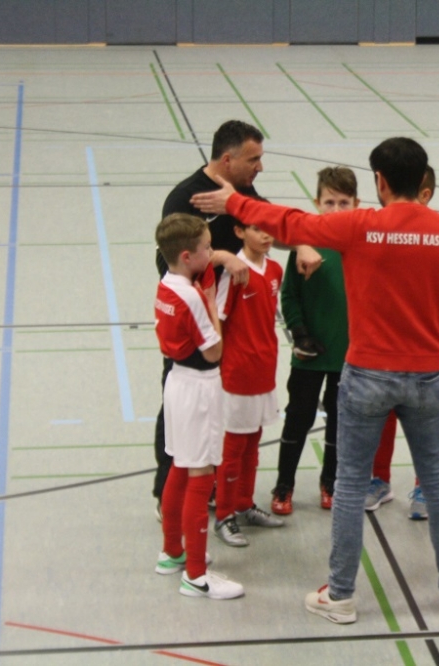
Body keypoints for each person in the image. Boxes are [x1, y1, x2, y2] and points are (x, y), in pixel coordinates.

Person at [190, 138, 439, 624]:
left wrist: (235, 202)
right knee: (437, 480)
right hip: (426, 376)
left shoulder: (359, 227)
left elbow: (290, 223)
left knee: (348, 485)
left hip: (366, 375)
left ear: (380, 182)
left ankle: (341, 595)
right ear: (423, 181)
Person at [151, 120, 321, 517]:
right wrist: (221, 257)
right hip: (194, 324)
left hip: (228, 326)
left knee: (218, 412)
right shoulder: (186, 197)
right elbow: (169, 263)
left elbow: (268, 223)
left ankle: (214, 489)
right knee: (182, 412)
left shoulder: (242, 193)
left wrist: (300, 243)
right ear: (227, 160)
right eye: (253, 159)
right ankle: (167, 492)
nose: (260, 167)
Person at [152, 213, 243, 600]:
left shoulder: (167, 283)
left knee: (179, 464)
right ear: (188, 256)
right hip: (199, 388)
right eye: (207, 247)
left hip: (176, 383)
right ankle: (196, 575)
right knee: (202, 473)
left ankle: (172, 551)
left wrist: (216, 260)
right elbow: (213, 351)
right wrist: (210, 303)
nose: (211, 251)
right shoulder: (192, 296)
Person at [271, 167, 358, 515]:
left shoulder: (359, 246)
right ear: (316, 202)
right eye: (329, 202)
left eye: (343, 202)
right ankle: (284, 485)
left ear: (356, 203)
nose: (336, 210)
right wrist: (300, 333)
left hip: (348, 356)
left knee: (340, 422)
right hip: (309, 355)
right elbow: (289, 296)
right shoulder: (303, 246)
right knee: (298, 418)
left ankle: (330, 483)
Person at [366, 165, 437, 521]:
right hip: (385, 346)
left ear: (425, 195)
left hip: (426, 349)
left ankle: (425, 486)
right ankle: (380, 480)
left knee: (424, 418)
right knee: (384, 414)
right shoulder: (375, 231)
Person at [212, 212, 286, 548]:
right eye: (257, 229)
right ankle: (223, 514)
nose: (266, 235)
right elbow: (218, 320)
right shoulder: (234, 273)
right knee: (234, 447)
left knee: (253, 443)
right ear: (240, 232)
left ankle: (244, 504)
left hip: (265, 368)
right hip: (238, 372)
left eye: (269, 229)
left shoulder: (275, 270)